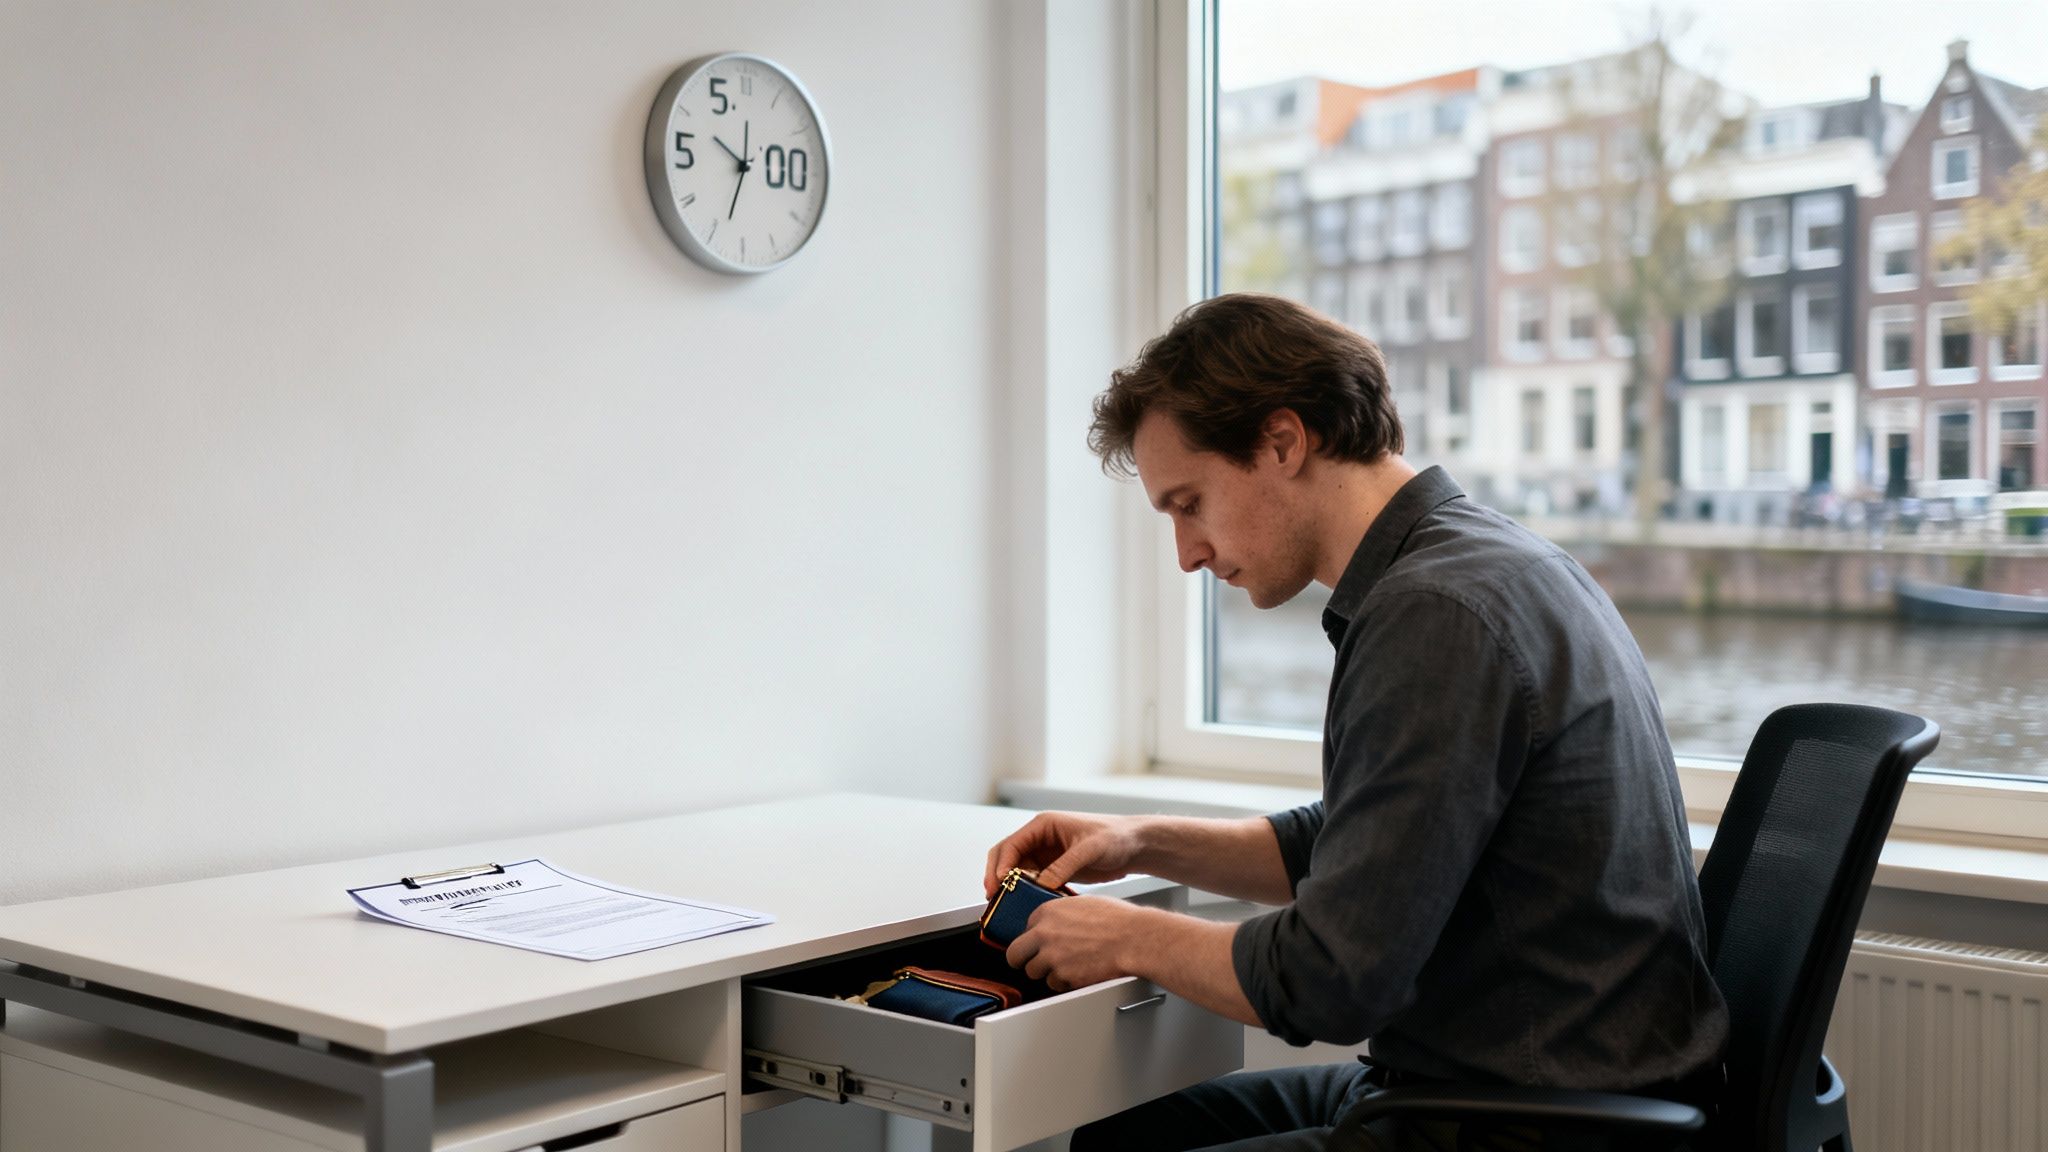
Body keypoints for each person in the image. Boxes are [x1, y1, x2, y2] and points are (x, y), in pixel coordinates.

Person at [984, 294, 1727, 1151]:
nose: (1186, 552)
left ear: (1283, 443)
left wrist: (1126, 937)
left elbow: (1333, 979)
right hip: (1533, 1080)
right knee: (1119, 1137)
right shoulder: (1481, 562)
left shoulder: (1436, 614)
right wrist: (1139, 840)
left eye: (1189, 504)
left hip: (1530, 1119)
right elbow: (1360, 850)